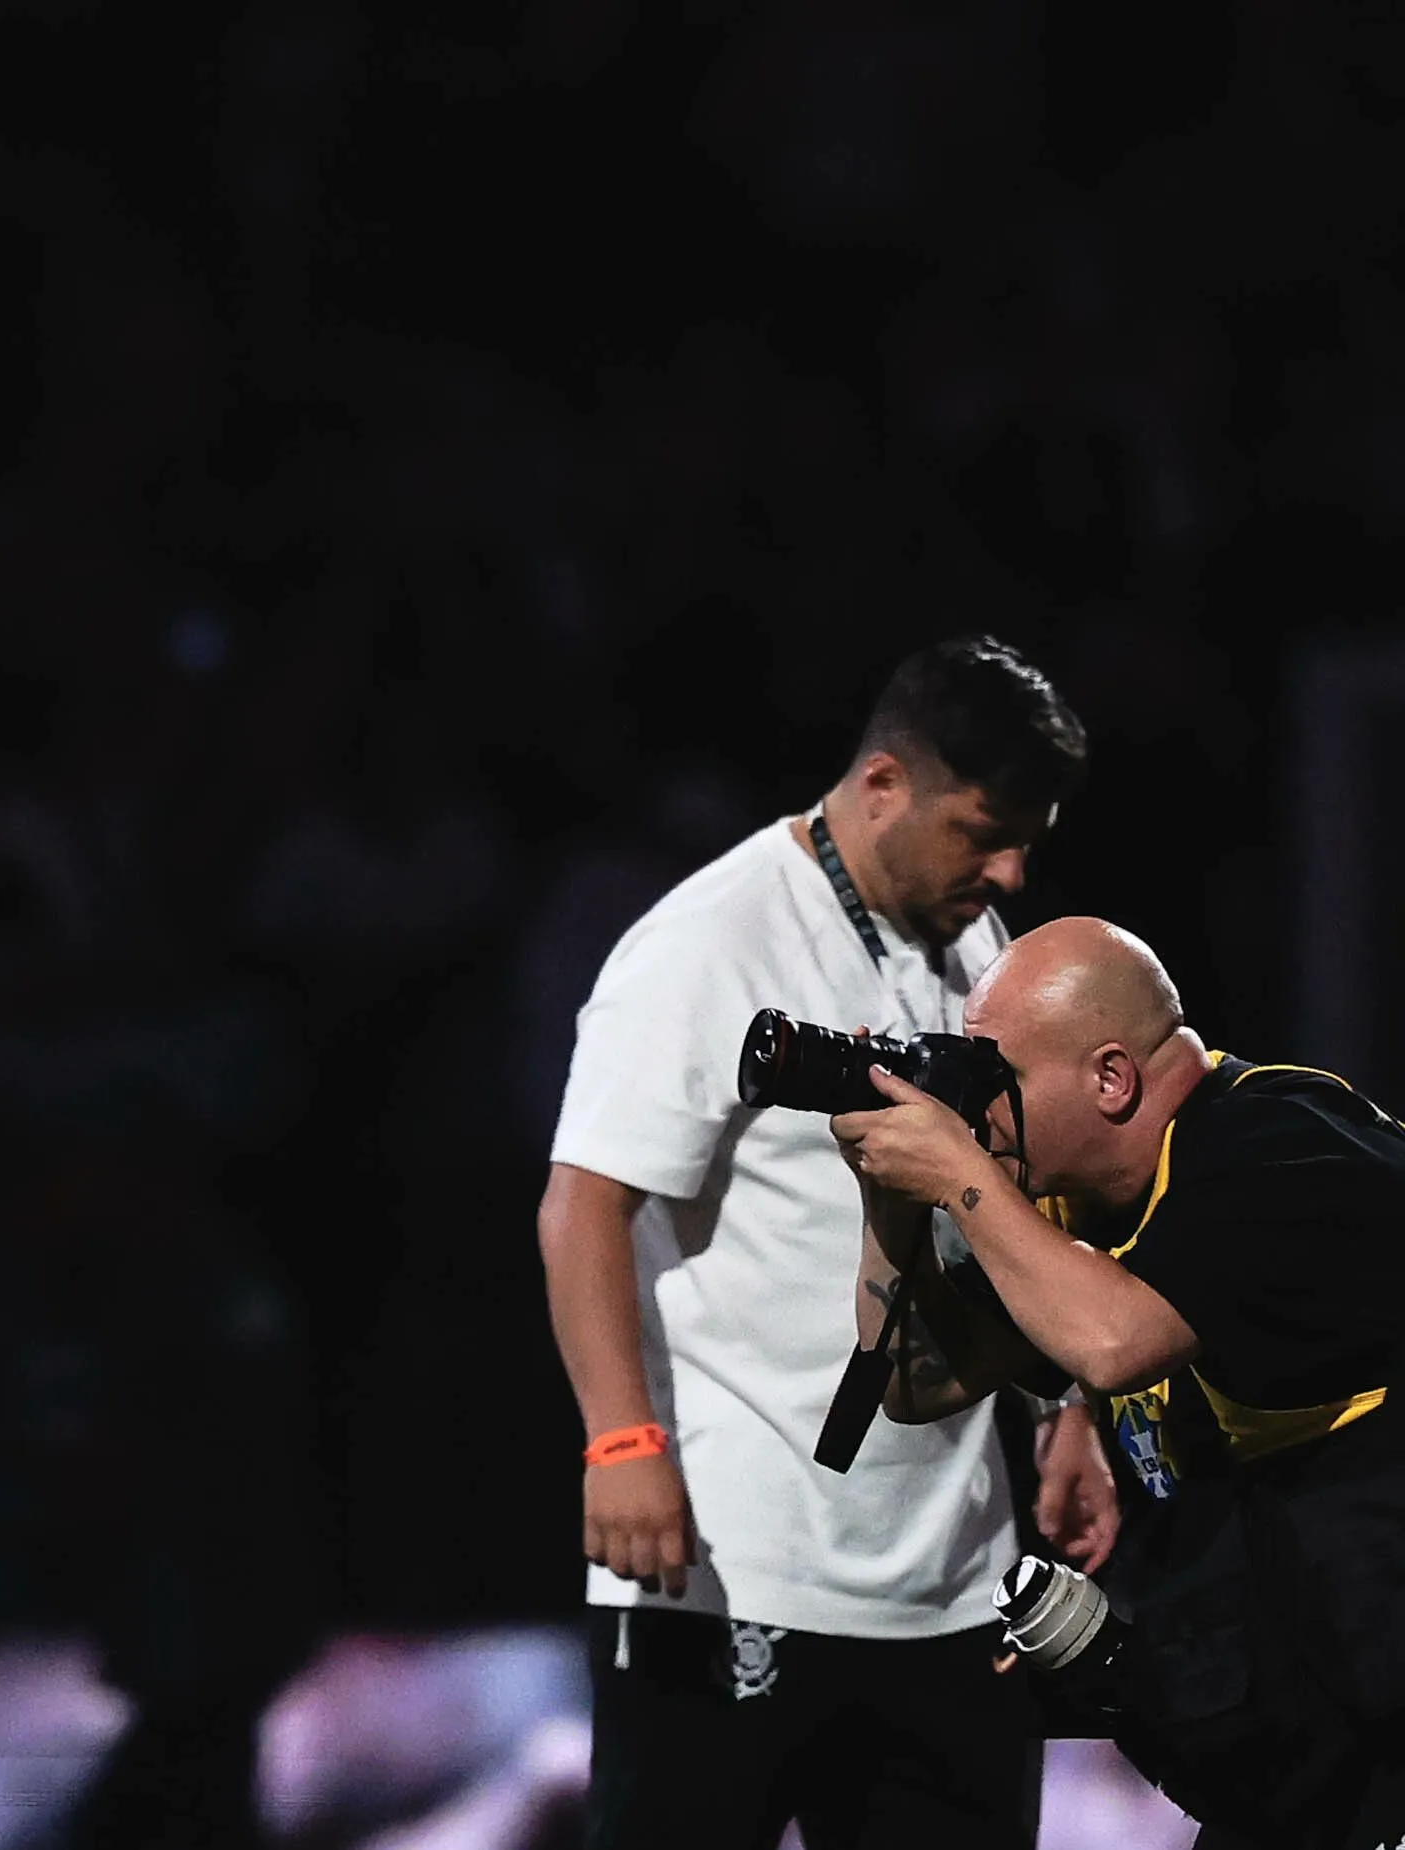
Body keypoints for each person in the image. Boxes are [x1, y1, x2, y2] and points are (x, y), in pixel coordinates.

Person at [535, 633, 1114, 1850]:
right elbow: (584, 1201)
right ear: (882, 783)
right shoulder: (706, 941)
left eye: (1027, 837)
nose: (1008, 868)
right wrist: (619, 1439)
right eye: (982, 828)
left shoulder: (977, 948)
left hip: (958, 1580)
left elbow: (1013, 1201)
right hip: (733, 1567)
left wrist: (1064, 1408)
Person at [834, 916, 1405, 1848]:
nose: (974, 1108)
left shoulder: (1279, 1139)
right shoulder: (1078, 1202)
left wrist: (960, 1175)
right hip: (1299, 1718)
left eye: (996, 1076)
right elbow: (913, 1382)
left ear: (1111, 1076)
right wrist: (890, 1202)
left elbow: (1113, 1341)